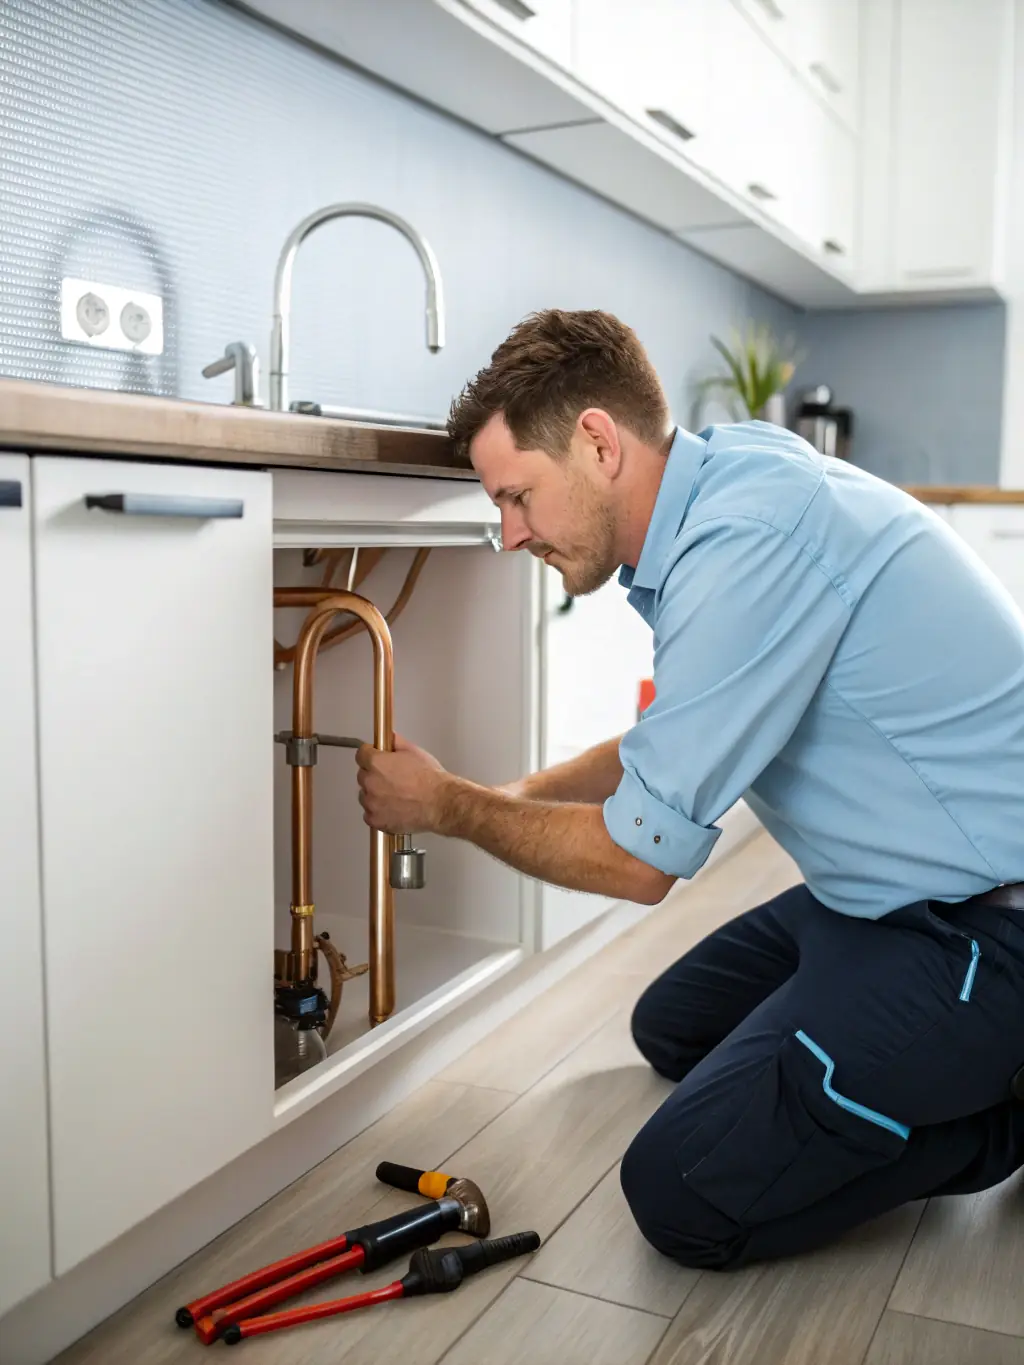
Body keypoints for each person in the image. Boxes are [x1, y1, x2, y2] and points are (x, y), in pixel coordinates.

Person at [355, 307, 1024, 1270]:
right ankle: (868, 1047)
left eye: (517, 496)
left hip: (980, 932)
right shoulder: (725, 477)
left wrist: (452, 805)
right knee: (671, 1024)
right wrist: (513, 790)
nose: (507, 535)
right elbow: (672, 739)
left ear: (596, 442)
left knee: (679, 1190)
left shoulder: (744, 541)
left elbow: (637, 864)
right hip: (881, 898)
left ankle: (998, 1121)